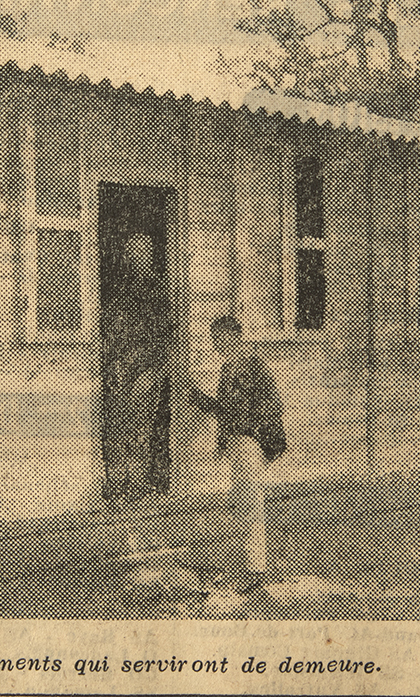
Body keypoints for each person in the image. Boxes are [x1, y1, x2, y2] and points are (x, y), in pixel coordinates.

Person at [188, 315, 286, 594]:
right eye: (215, 340)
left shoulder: (251, 367)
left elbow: (270, 406)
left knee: (249, 505)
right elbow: (225, 408)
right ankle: (252, 567)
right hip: (239, 442)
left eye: (222, 339)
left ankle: (255, 571)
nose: (218, 345)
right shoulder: (229, 367)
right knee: (243, 504)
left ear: (235, 337)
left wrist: (255, 435)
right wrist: (196, 396)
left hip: (250, 442)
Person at [101, 233, 173, 502]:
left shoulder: (158, 293)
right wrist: (114, 365)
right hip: (122, 374)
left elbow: (166, 342)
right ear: (127, 257)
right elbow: (111, 332)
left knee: (143, 432)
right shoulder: (120, 291)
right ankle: (119, 486)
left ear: (151, 257)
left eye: (143, 253)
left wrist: (152, 374)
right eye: (133, 253)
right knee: (119, 430)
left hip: (148, 374)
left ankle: (142, 488)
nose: (137, 258)